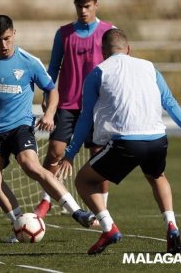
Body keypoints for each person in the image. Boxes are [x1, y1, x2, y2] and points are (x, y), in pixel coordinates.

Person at [0, 14, 96, 242]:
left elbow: (52, 89)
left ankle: (76, 211)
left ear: (14, 34)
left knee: (31, 166)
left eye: (8, 38)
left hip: (20, 128)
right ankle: (19, 222)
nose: (4, 45)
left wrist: (49, 113)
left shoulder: (29, 62)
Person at [58, 28, 181, 255]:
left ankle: (108, 228)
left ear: (102, 51)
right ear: (129, 49)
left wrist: (71, 153)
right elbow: (170, 103)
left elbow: (85, 118)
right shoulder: (150, 68)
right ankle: (172, 225)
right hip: (157, 140)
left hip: (126, 142)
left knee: (84, 181)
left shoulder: (98, 72)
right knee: (157, 177)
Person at [35, 0, 114, 218]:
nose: (83, 10)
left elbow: (119, 66)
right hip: (68, 105)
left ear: (96, 5)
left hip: (98, 106)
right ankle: (46, 199)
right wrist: (47, 93)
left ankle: (101, 210)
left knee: (99, 157)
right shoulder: (64, 33)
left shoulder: (109, 31)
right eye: (79, 6)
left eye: (87, 6)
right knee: (54, 153)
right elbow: (53, 67)